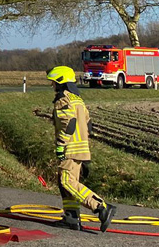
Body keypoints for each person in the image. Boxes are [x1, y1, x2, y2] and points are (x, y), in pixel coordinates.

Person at [46, 66, 117, 232]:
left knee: (66, 182)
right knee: (67, 184)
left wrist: (60, 146)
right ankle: (72, 219)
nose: (52, 85)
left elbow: (68, 124)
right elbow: (88, 125)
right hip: (81, 148)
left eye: (53, 82)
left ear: (60, 82)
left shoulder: (63, 99)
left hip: (70, 148)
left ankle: (101, 207)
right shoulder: (78, 99)